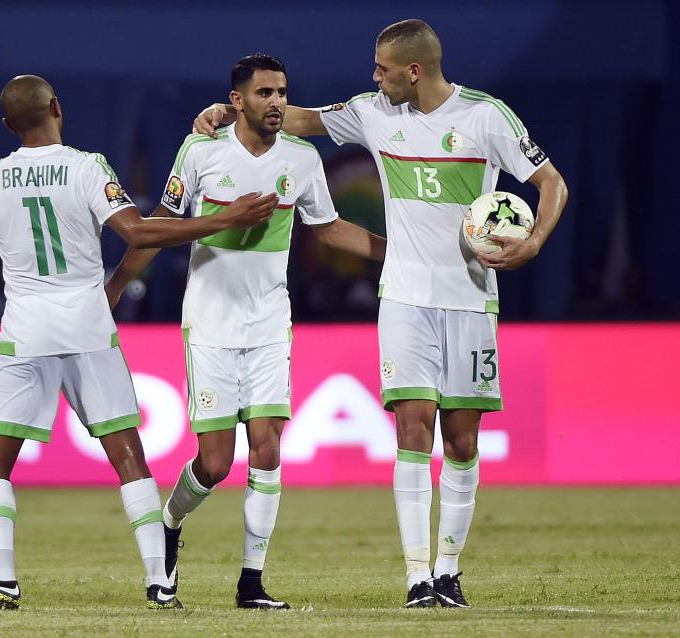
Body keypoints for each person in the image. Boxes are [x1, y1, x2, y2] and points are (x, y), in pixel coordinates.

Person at [193, 20, 568, 609]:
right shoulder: (373, 112)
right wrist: (224, 110)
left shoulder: (486, 118)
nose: (373, 77)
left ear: (412, 71)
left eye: (382, 68)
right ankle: (418, 578)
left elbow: (551, 183)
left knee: (462, 441)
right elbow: (302, 118)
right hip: (403, 298)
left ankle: (449, 571)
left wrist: (535, 241)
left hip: (471, 297)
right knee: (413, 428)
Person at [0, 74, 278, 611]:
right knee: (128, 457)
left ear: (8, 125)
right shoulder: (86, 166)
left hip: (26, 330)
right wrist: (223, 219)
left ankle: (2, 580)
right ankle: (159, 584)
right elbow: (139, 231)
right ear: (57, 107)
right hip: (89, 324)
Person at [105, 54, 386, 610]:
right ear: (238, 101)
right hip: (209, 324)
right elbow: (156, 227)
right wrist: (112, 291)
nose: (276, 102)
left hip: (268, 325)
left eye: (282, 92)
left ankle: (251, 582)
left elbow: (328, 229)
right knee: (214, 462)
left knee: (267, 449)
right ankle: (170, 520)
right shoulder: (202, 151)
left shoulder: (302, 160)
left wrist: (395, 253)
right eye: (264, 93)